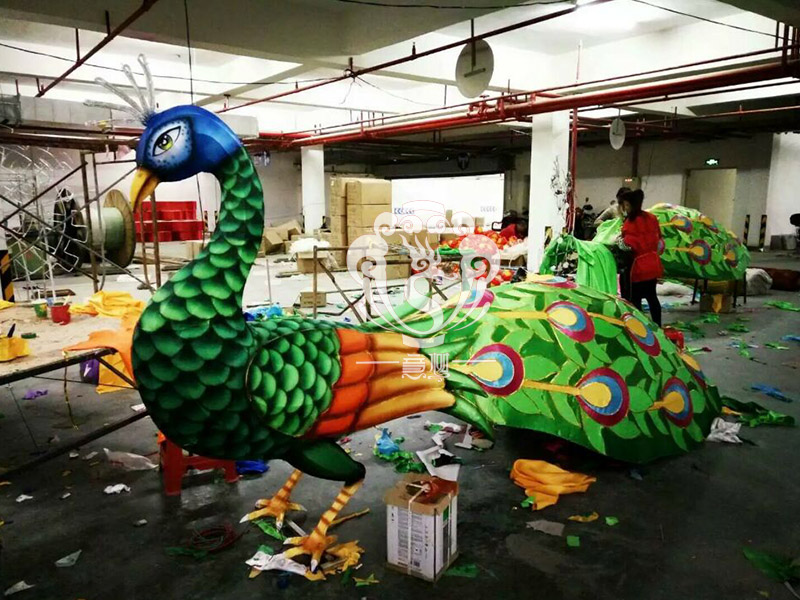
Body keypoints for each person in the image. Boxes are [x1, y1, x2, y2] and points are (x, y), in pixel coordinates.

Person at [617, 189, 663, 326]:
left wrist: (618, 241)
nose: (625, 208)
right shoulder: (651, 218)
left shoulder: (630, 223)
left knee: (635, 300)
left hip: (639, 267)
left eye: (626, 205)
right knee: (652, 297)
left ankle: (639, 329)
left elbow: (628, 246)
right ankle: (658, 326)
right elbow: (660, 239)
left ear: (631, 204)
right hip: (653, 263)